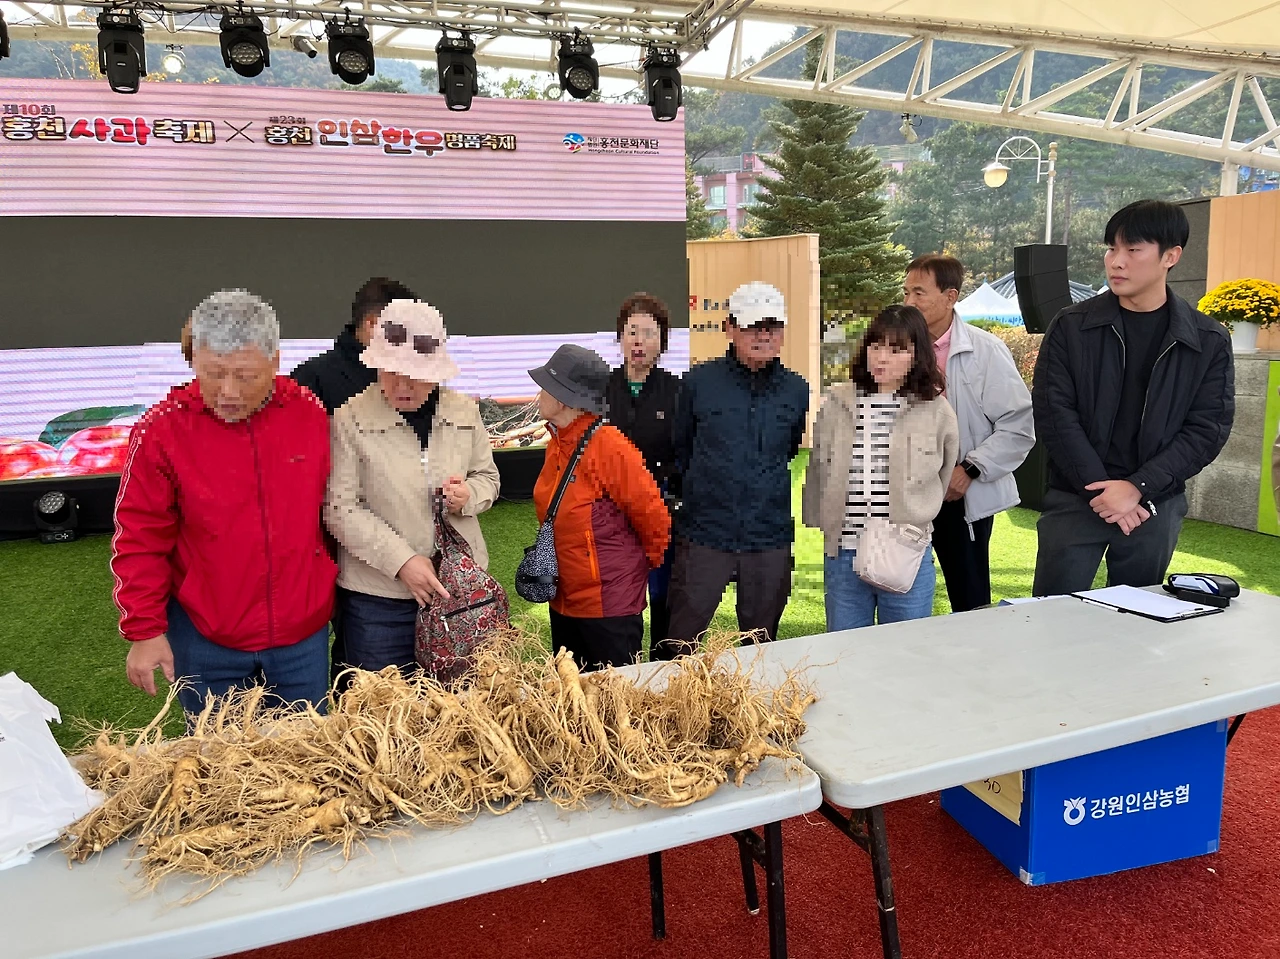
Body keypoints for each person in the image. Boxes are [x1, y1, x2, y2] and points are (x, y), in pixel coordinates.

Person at [111, 290, 337, 718]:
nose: (228, 391)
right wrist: (144, 629)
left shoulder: (308, 413)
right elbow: (139, 536)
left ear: (274, 361)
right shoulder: (161, 431)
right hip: (205, 635)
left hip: (300, 634)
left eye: (245, 376)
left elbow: (333, 511)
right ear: (194, 358)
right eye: (213, 374)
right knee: (217, 753)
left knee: (307, 749)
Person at [1032, 199, 1235, 596]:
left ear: (1170, 256)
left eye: (1133, 249)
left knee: (1137, 616)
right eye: (1112, 249)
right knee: (1050, 615)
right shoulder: (1072, 325)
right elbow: (1054, 412)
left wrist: (1137, 487)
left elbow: (1207, 429)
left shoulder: (1208, 339)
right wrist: (1101, 489)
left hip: (1154, 503)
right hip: (1077, 497)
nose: (1116, 261)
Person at [324, 299, 500, 674]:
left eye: (415, 373)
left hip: (457, 588)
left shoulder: (464, 412)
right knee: (382, 704)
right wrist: (401, 561)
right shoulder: (349, 419)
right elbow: (340, 509)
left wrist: (469, 496)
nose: (402, 385)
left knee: (461, 699)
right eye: (391, 372)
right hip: (378, 600)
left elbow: (488, 478)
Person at [665, 282, 809, 652]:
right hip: (704, 534)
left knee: (761, 647)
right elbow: (682, 448)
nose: (763, 335)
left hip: (768, 536)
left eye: (772, 327)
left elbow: (788, 449)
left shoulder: (796, 389)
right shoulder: (698, 382)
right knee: (680, 642)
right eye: (753, 326)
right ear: (729, 327)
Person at [291, 277, 419, 687]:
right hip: (343, 552)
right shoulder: (313, 380)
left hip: (413, 550)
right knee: (363, 678)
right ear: (372, 324)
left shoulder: (415, 375)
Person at [803, 305, 958, 629]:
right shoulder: (837, 402)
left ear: (917, 355)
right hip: (844, 552)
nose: (881, 358)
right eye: (876, 346)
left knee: (904, 650)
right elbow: (818, 466)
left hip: (905, 551)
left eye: (896, 350)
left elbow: (942, 475)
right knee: (844, 650)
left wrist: (916, 515)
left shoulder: (936, 410)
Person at [902, 254, 1035, 613]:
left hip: (959, 493)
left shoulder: (986, 350)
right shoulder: (896, 349)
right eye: (906, 292)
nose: (909, 302)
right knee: (898, 589)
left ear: (951, 297)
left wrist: (970, 470)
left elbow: (1018, 426)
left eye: (919, 293)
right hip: (904, 492)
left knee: (969, 598)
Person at [530, 344, 671, 672]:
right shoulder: (558, 443)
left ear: (563, 398)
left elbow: (654, 517)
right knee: (572, 693)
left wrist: (628, 575)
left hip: (608, 608)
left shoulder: (609, 446)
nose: (538, 394)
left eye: (545, 386)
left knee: (614, 696)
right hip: (563, 598)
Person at [602, 292, 683, 659]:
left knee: (662, 593)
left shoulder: (676, 391)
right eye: (632, 331)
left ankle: (663, 665)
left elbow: (685, 451)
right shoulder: (602, 389)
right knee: (618, 592)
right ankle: (620, 663)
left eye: (649, 333)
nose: (639, 341)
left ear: (662, 341)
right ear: (620, 337)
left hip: (658, 507)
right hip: (611, 511)